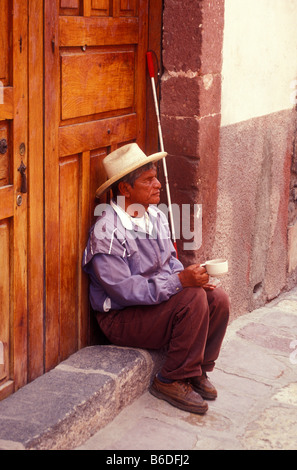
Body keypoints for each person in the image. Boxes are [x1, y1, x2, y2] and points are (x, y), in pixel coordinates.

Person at [83, 143, 230, 415]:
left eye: (156, 177)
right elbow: (124, 291)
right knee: (192, 298)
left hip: (153, 307)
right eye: (148, 180)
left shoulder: (156, 217)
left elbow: (169, 262)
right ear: (125, 190)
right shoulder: (107, 231)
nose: (158, 184)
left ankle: (197, 369)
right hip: (122, 319)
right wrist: (180, 283)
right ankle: (171, 379)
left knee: (216, 298)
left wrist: (192, 277)